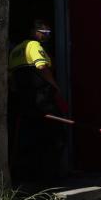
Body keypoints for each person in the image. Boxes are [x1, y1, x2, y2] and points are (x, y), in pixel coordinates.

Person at [8, 19, 64, 184]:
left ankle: (30, 177)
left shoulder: (15, 51)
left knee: (29, 138)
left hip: (24, 103)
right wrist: (56, 87)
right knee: (56, 138)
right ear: (34, 31)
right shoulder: (33, 45)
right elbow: (41, 67)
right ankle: (50, 177)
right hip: (42, 100)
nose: (46, 36)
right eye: (44, 33)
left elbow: (11, 78)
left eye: (49, 34)